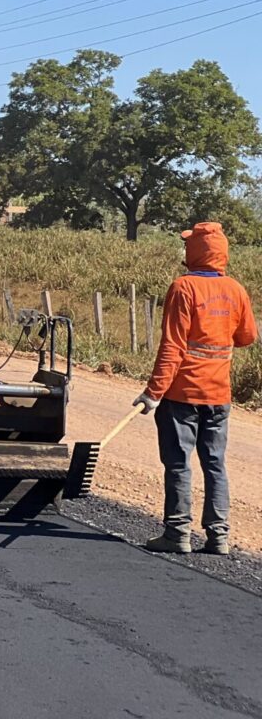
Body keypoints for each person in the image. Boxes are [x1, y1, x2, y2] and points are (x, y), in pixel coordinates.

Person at [133, 222, 257, 555]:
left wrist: (153, 393)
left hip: (182, 396)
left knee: (178, 463)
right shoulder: (236, 290)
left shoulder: (183, 288)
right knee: (214, 464)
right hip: (219, 396)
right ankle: (218, 537)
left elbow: (172, 347)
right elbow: (247, 338)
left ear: (196, 252)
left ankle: (177, 535)